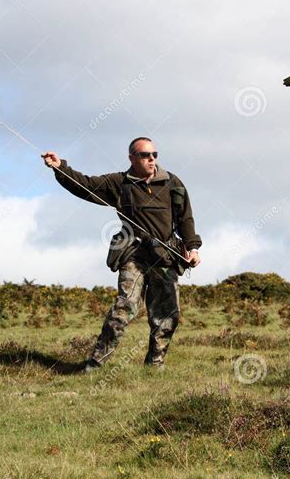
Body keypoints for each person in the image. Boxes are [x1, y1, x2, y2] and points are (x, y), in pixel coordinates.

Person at [41, 137, 201, 371]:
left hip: (165, 258)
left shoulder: (172, 182)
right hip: (133, 255)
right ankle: (95, 365)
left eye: (154, 154)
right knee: (123, 310)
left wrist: (193, 248)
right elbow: (85, 185)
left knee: (167, 316)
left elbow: (185, 218)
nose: (152, 159)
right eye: (146, 155)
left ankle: (155, 366)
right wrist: (60, 168)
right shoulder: (120, 183)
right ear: (132, 158)